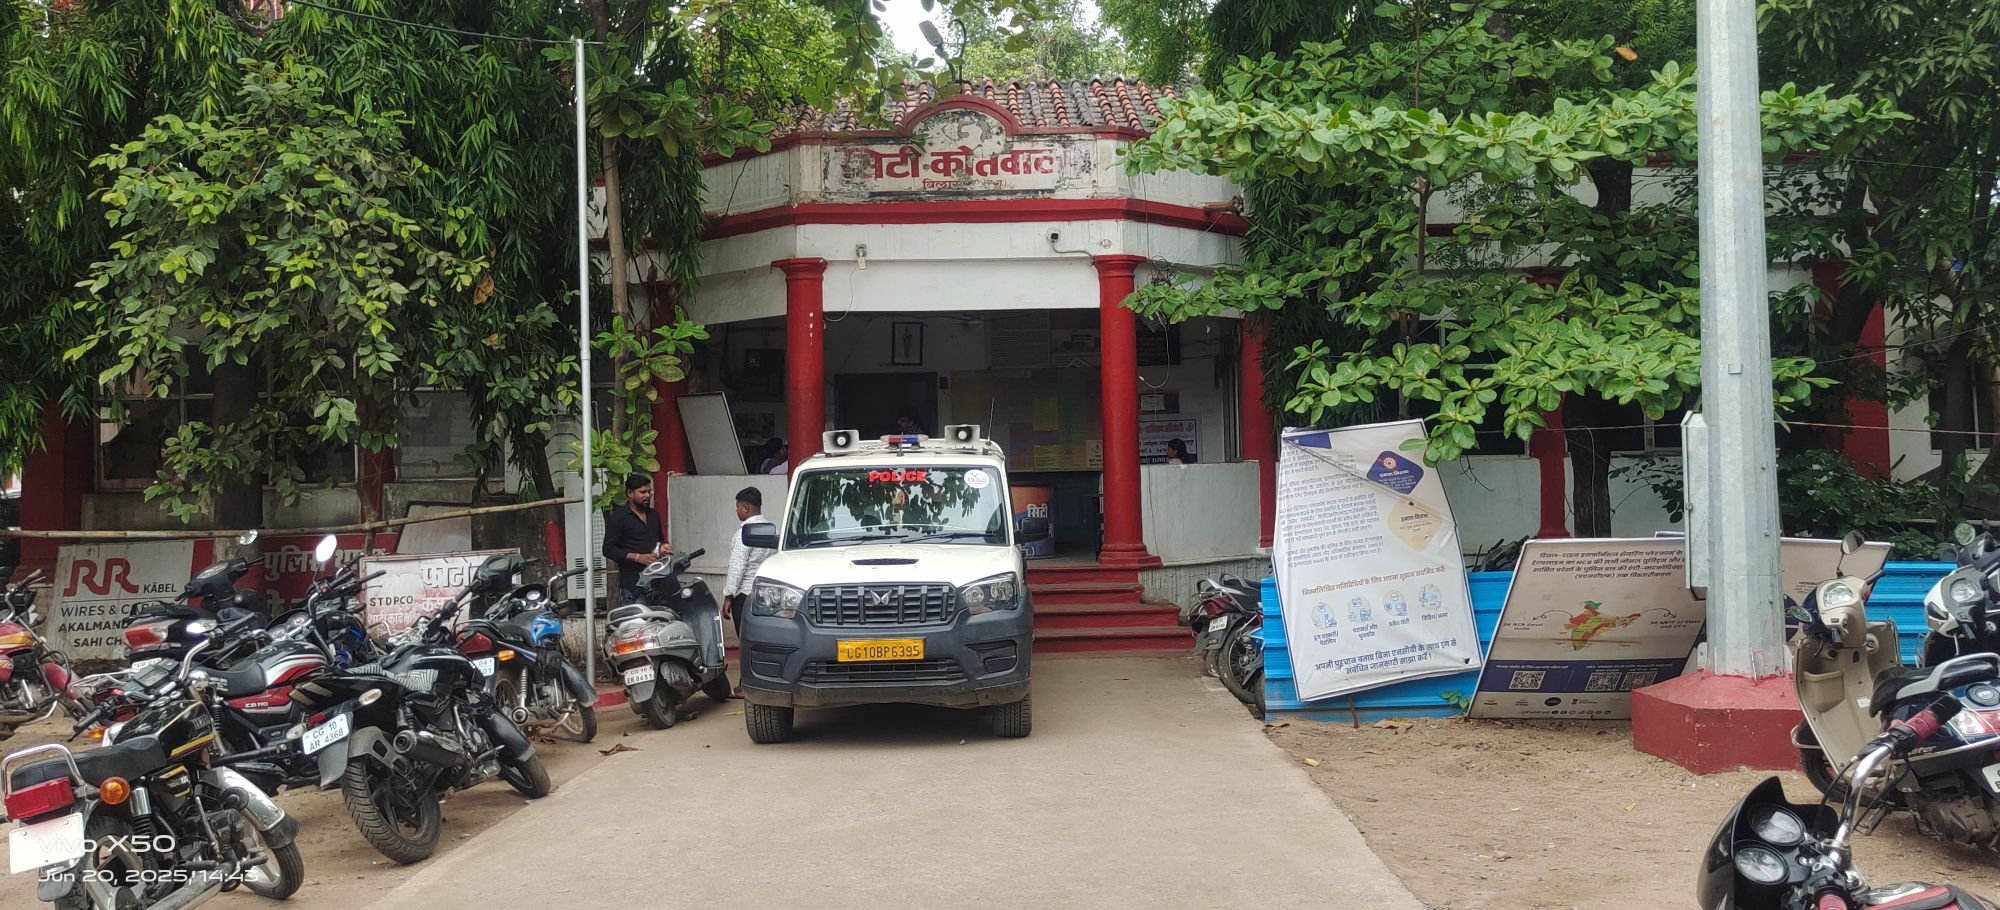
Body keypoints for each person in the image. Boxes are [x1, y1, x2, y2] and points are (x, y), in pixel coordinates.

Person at [723, 487, 775, 697]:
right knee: (765, 640)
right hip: (765, 594)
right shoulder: (770, 529)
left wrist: (728, 595)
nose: (736, 511)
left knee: (746, 641)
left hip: (744, 595)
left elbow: (737, 567)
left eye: (737, 507)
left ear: (745, 508)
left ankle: (745, 685)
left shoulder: (744, 533)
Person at [602, 474, 669, 605]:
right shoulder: (619, 517)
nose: (647, 495)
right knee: (637, 618)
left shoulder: (654, 515)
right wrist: (637, 557)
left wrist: (663, 547)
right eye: (642, 492)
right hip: (633, 584)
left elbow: (660, 540)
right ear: (630, 493)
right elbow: (608, 549)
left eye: (649, 491)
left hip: (657, 580)